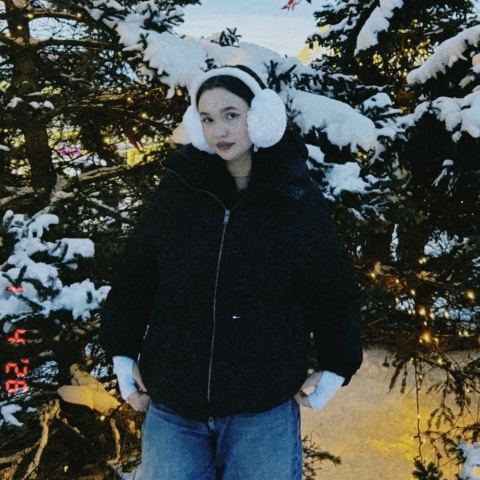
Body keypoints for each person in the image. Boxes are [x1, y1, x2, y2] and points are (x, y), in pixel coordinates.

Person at [100, 65, 363, 480]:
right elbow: (135, 275)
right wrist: (121, 351)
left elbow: (331, 289)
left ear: (260, 116)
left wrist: (337, 363)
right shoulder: (179, 189)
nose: (218, 131)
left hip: (261, 410)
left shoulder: (294, 196)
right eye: (206, 119)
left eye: (231, 115)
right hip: (174, 407)